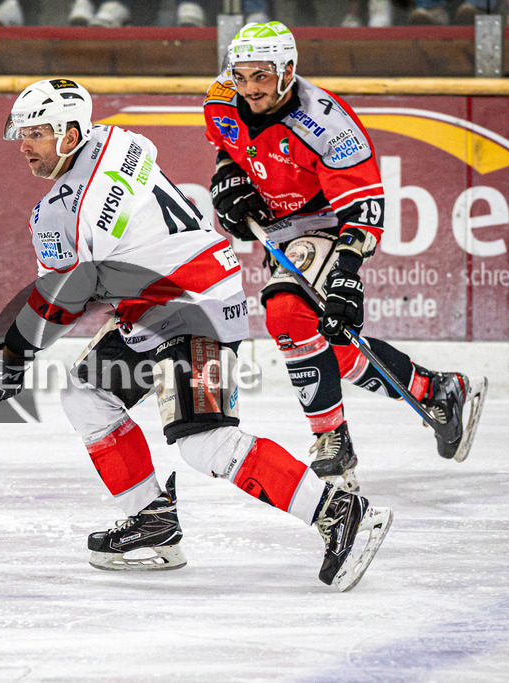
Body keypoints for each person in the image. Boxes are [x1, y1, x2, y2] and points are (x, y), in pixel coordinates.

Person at [0, 78, 393, 591]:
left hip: (194, 307)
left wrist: (9, 356)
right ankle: (153, 521)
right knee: (86, 392)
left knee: (203, 442)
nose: (23, 145)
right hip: (164, 301)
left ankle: (340, 512)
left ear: (68, 134)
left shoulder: (64, 210)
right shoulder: (113, 141)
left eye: (35, 133)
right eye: (21, 132)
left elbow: (62, 299)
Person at [204, 21, 487, 492]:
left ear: (288, 70)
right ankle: (435, 391)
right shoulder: (220, 97)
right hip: (282, 227)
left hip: (327, 224)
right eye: (242, 75)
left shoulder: (328, 125)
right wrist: (226, 182)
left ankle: (332, 441)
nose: (249, 89)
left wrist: (346, 274)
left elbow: (363, 208)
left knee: (287, 315)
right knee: (329, 346)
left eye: (262, 77)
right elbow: (227, 150)